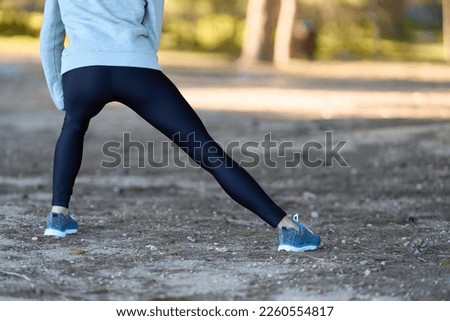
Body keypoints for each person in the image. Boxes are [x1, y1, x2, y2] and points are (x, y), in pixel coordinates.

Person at [39, 0, 320, 252]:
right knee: (204, 148)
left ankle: (58, 216)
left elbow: (51, 36)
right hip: (137, 68)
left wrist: (60, 93)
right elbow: (152, 26)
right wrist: (140, 62)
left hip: (82, 72)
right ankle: (289, 229)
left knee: (73, 126)